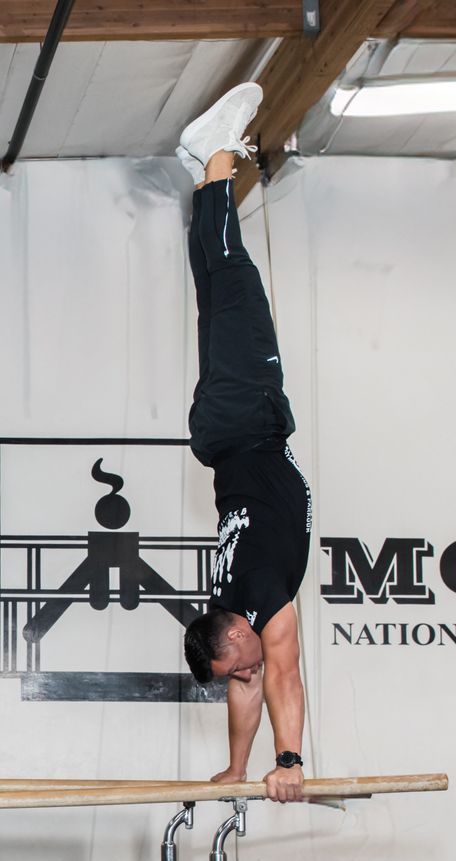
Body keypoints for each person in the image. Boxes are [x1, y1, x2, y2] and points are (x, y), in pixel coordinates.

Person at [175, 83, 312, 804]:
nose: (244, 676)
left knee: (233, 284)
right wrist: (236, 767)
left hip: (246, 416)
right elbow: (255, 683)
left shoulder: (258, 595)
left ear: (234, 639)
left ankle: (216, 154)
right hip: (226, 434)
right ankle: (207, 172)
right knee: (214, 288)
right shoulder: (236, 613)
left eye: (235, 667)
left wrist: (288, 759)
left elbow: (283, 675)